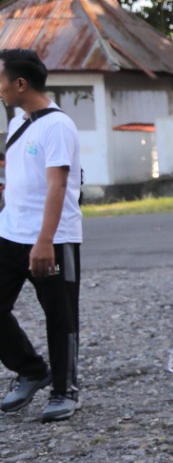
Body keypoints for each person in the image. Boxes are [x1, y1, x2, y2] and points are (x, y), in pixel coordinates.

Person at [0, 48, 82, 422]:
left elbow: (58, 186)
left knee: (60, 317)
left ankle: (65, 391)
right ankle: (32, 369)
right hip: (10, 234)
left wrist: (45, 241)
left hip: (53, 238)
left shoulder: (57, 126)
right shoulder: (19, 121)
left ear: (20, 83)